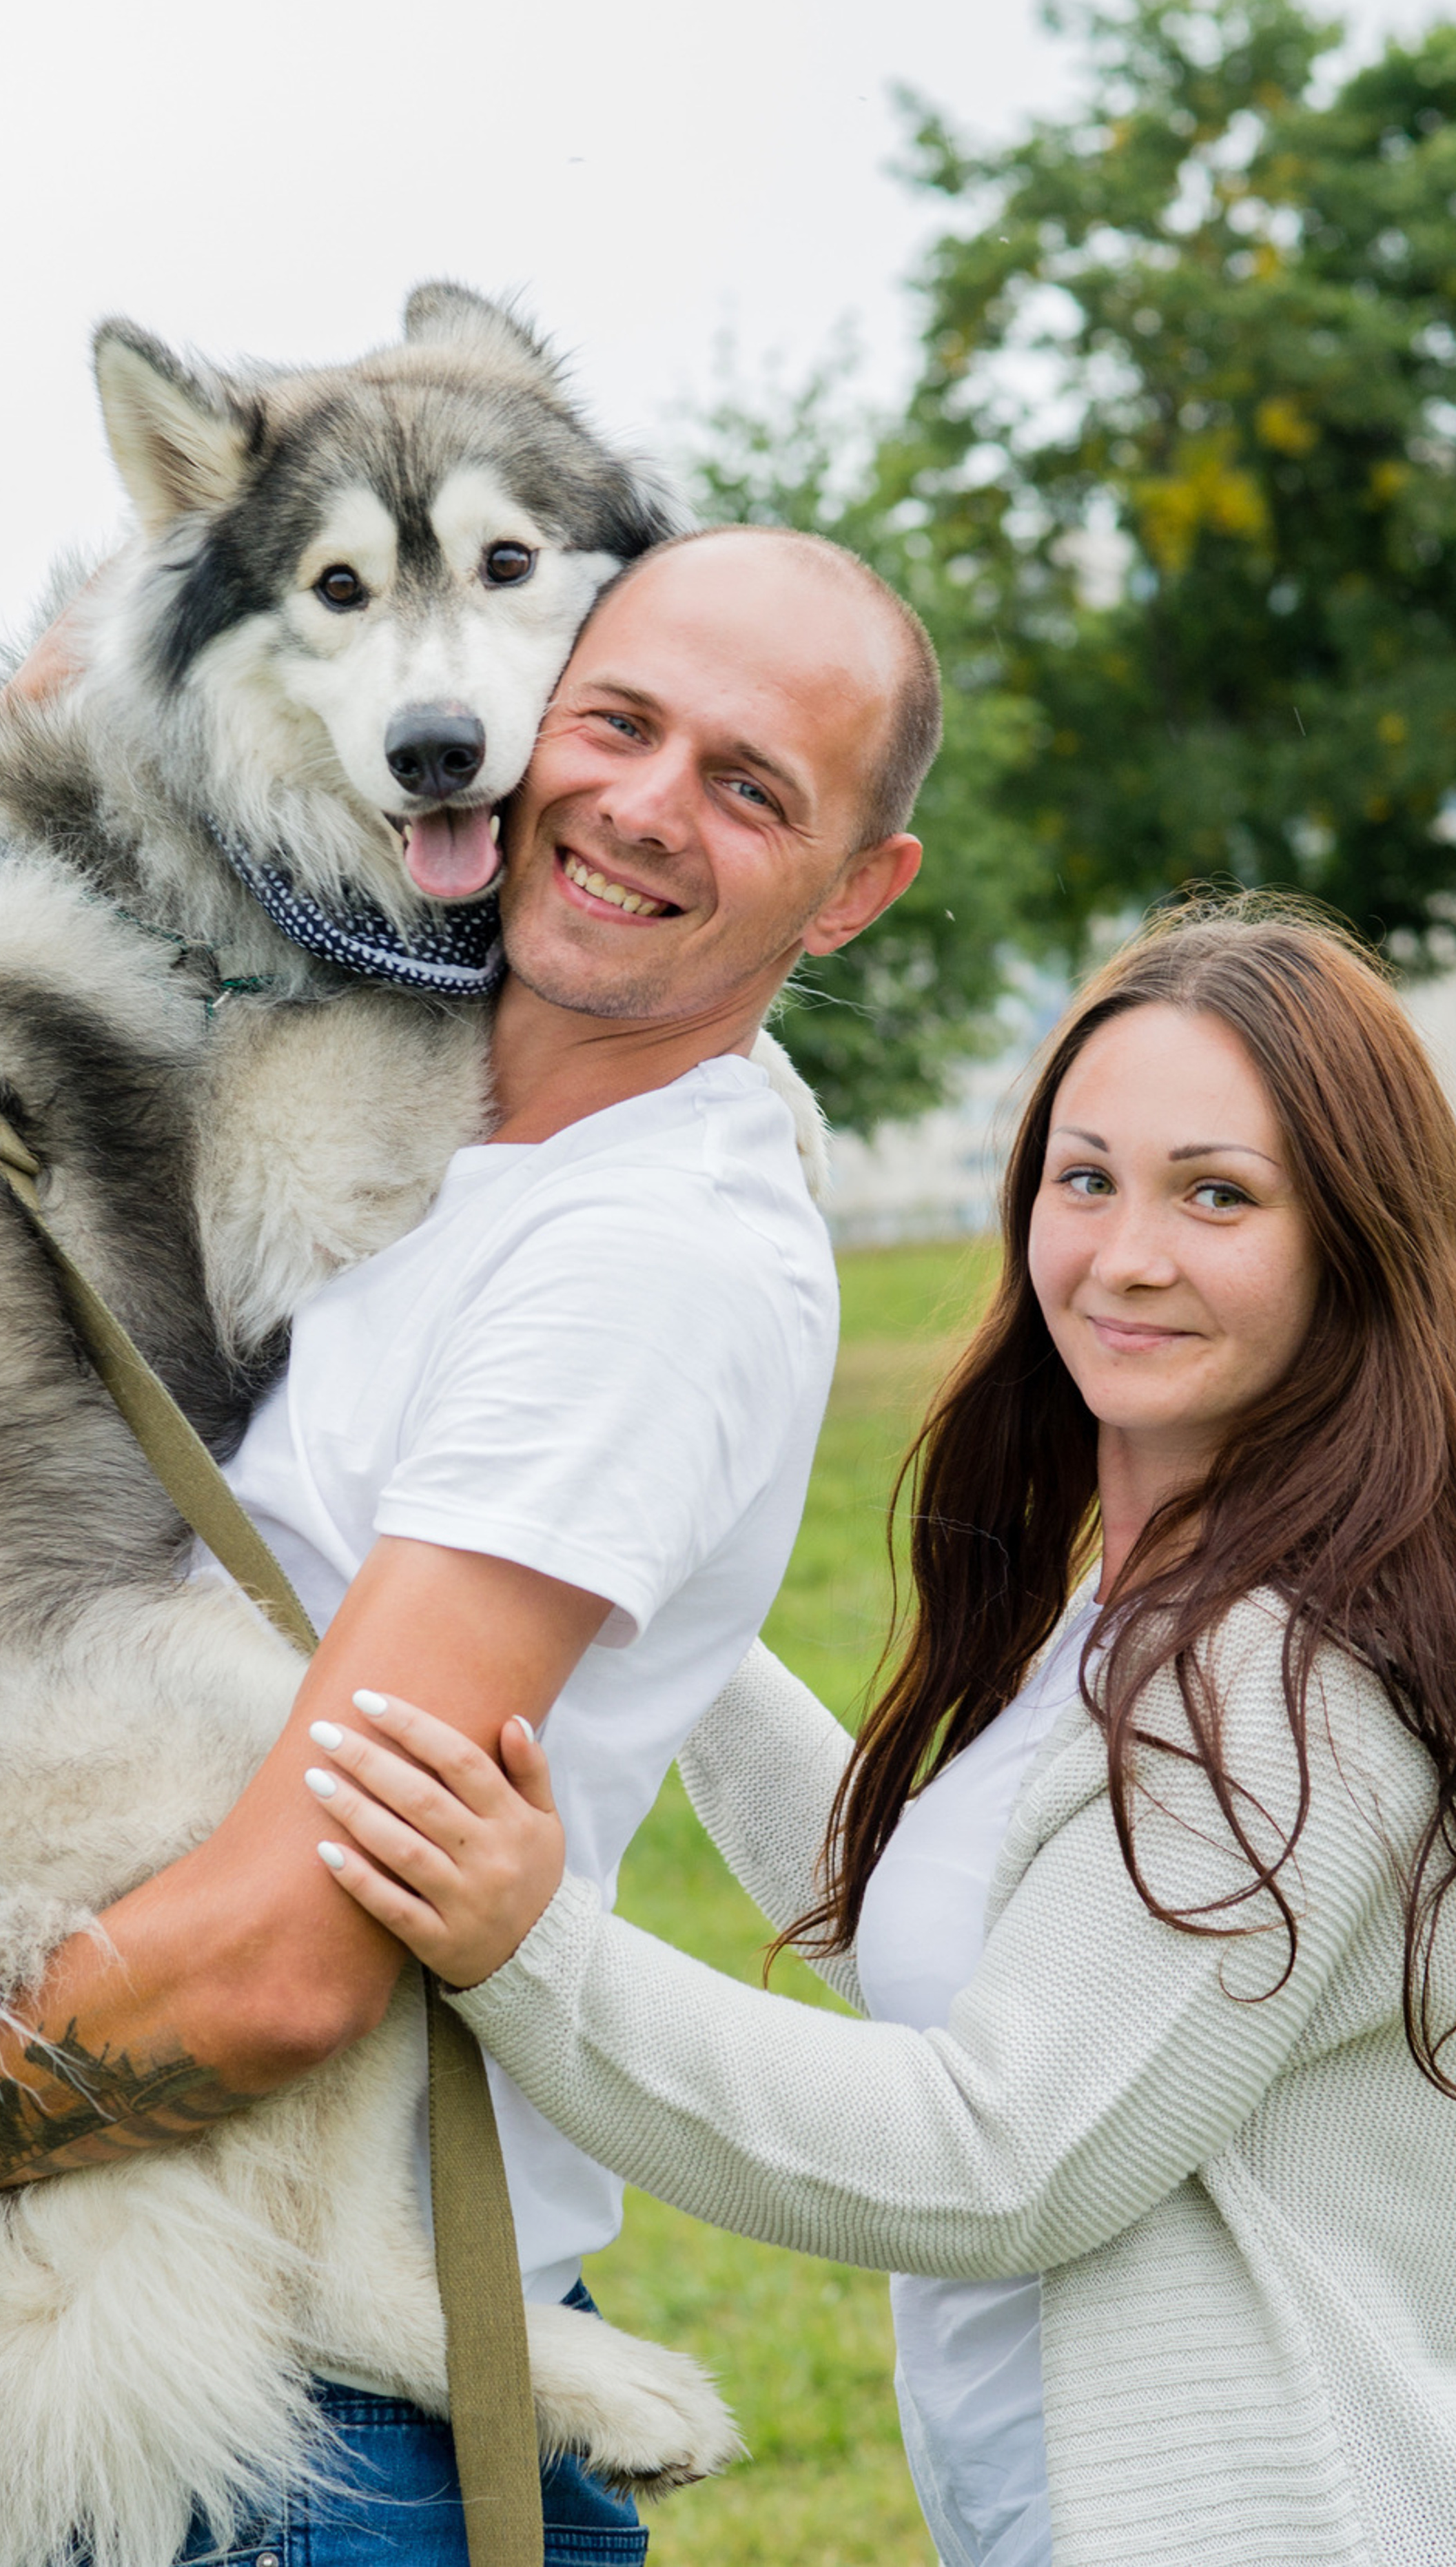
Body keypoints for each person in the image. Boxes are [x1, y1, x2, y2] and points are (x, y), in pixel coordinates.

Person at [0, 524, 934, 2561]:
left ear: (855, 889)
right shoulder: (418, 1131)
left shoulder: (643, 1258)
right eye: (616, 723)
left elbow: (289, 1962)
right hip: (117, 2362)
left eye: (751, 787)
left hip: (317, 2428)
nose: (645, 804)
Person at [310, 903, 1456, 2567]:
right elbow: (939, 1932)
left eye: (1216, 1194)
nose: (1124, 1254)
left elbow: (1000, 2158)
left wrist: (531, 1954)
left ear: (1350, 1237)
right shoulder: (1153, 1606)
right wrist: (618, 1577)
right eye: (1083, 1178)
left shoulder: (1282, 1683)